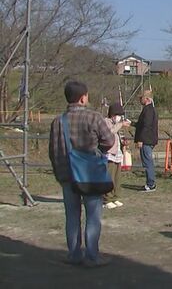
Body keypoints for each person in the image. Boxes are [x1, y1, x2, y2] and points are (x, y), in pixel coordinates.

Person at [48, 80, 114, 267]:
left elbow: (53, 152)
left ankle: (74, 254)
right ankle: (92, 256)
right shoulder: (94, 117)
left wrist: (59, 174)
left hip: (67, 176)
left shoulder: (58, 122)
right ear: (83, 97)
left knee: (72, 216)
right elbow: (109, 140)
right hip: (91, 174)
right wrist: (98, 151)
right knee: (93, 216)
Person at [103, 102, 131, 209]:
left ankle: (115, 196)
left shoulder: (118, 124)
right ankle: (107, 199)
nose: (119, 117)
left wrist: (124, 142)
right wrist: (120, 125)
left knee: (117, 177)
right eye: (117, 115)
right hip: (109, 153)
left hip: (118, 153)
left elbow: (118, 135)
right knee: (109, 176)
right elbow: (110, 132)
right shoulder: (106, 122)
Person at [132, 90, 158, 192]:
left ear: (146, 99)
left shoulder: (148, 110)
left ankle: (151, 184)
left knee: (147, 162)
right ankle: (150, 183)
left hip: (146, 140)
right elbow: (142, 125)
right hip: (148, 139)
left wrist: (141, 140)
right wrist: (131, 123)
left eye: (141, 98)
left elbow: (146, 126)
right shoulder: (150, 110)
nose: (140, 99)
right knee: (147, 162)